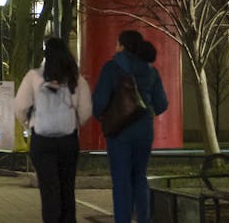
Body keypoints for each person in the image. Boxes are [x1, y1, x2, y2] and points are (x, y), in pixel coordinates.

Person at [92, 30, 169, 223]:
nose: (115, 47)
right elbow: (162, 104)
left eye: (118, 44)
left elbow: (100, 101)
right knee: (139, 177)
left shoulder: (112, 68)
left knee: (121, 181)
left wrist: (99, 114)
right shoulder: (150, 71)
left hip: (119, 131)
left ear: (123, 46)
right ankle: (143, 219)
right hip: (144, 132)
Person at [14, 37, 93, 223]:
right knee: (67, 187)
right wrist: (73, 122)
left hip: (42, 140)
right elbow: (86, 110)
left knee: (49, 189)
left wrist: (29, 123)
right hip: (68, 140)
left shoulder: (33, 76)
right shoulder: (76, 79)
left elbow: (20, 107)